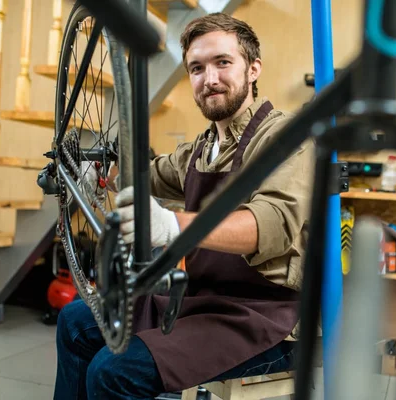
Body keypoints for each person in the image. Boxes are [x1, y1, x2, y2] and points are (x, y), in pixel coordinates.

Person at [55, 12, 315, 399]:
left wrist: (172, 224)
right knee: (75, 321)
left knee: (113, 372)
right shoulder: (199, 149)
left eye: (223, 63)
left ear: (254, 68)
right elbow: (145, 176)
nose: (209, 79)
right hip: (202, 303)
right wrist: (99, 173)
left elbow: (271, 225)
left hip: (265, 318)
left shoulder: (286, 137)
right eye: (197, 68)